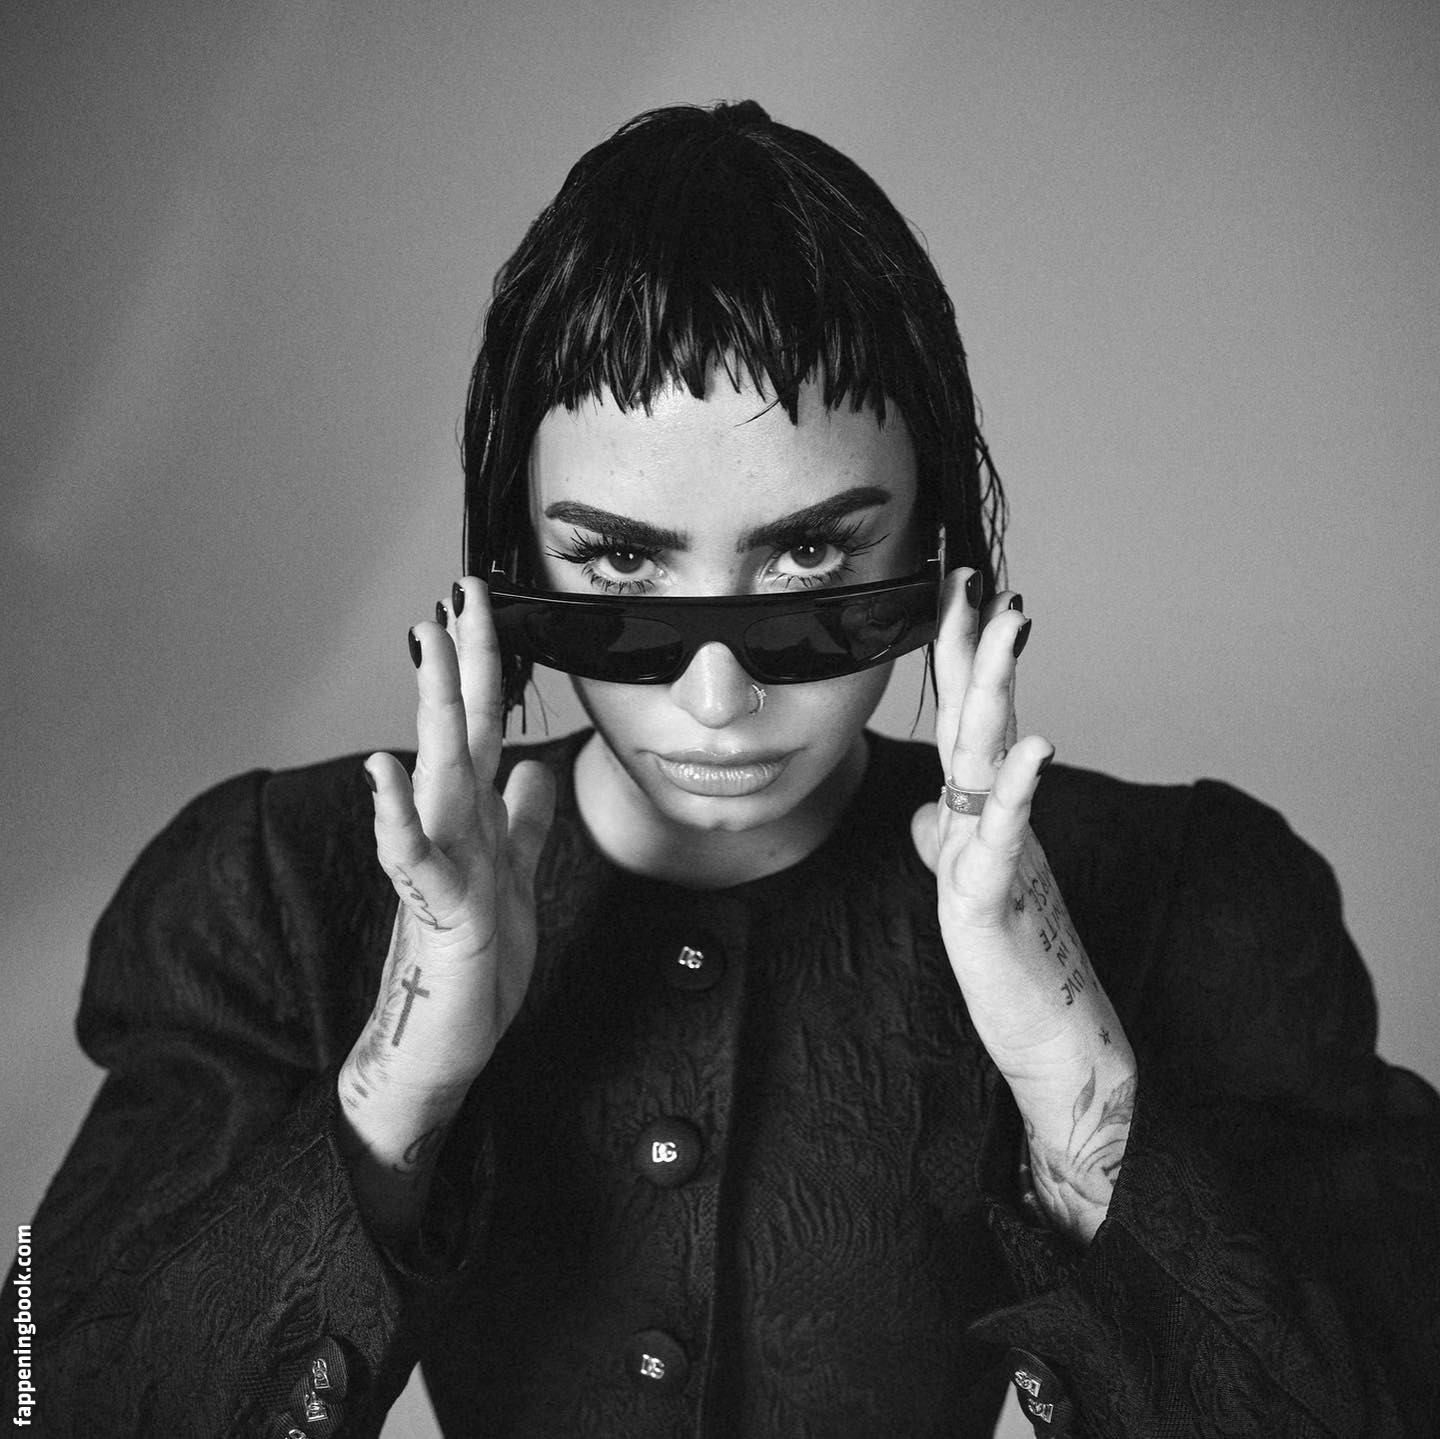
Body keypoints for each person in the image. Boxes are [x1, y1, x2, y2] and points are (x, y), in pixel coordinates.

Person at [12, 100, 1440, 1439]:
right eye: (620, 569)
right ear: (514, 569)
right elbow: (39, 1391)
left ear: (938, 551)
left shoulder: (1189, 899)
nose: (717, 698)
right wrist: (391, 1097)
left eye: (811, 557)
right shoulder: (278, 890)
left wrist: (1075, 1082)